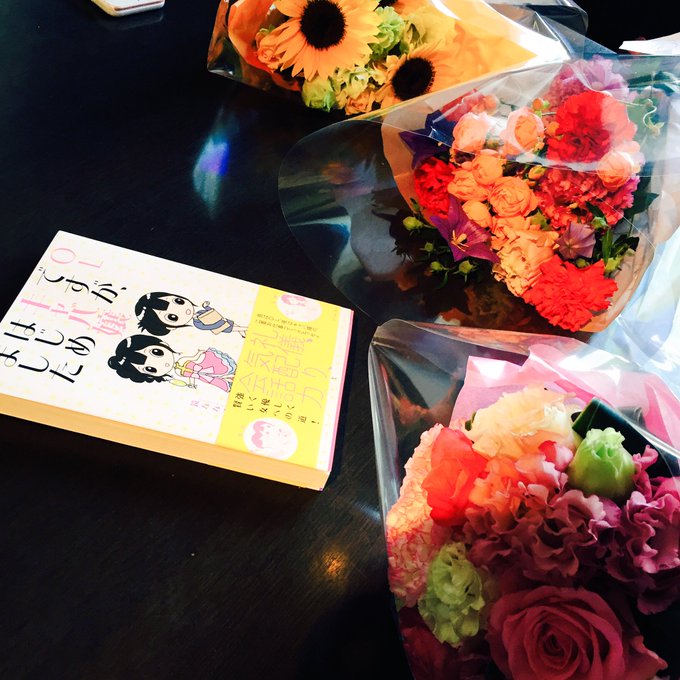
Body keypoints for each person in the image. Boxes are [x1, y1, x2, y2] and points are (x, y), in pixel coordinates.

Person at [108, 334, 237, 392]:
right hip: (203, 377)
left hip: (206, 366)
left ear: (162, 344)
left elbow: (193, 358)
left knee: (223, 370)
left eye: (157, 352)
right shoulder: (178, 373)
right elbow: (192, 376)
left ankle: (230, 374)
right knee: (216, 381)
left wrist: (199, 354)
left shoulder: (182, 360)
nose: (163, 364)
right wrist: (191, 384)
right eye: (150, 369)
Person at [134, 292, 247, 337]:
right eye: (172, 317)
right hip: (221, 326)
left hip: (222, 320)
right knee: (234, 328)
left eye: (178, 301)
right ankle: (246, 330)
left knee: (235, 325)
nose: (183, 310)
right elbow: (208, 327)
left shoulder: (199, 313)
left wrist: (206, 307)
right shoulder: (197, 323)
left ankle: (243, 333)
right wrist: (220, 324)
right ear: (171, 327)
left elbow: (211, 312)